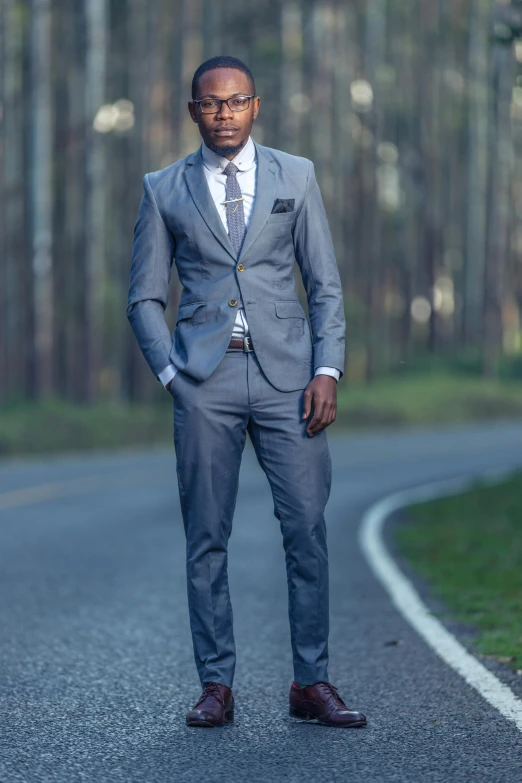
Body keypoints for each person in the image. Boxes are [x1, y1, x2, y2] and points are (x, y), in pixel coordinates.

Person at [127, 55, 366, 730]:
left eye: (236, 102)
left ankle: (311, 681)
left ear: (255, 106)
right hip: (205, 381)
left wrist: (329, 369)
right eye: (211, 104)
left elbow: (324, 284)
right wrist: (173, 376)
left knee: (307, 531)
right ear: (193, 111)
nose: (224, 113)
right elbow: (144, 296)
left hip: (291, 378)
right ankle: (215, 685)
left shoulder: (297, 175)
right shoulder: (164, 187)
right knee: (207, 537)